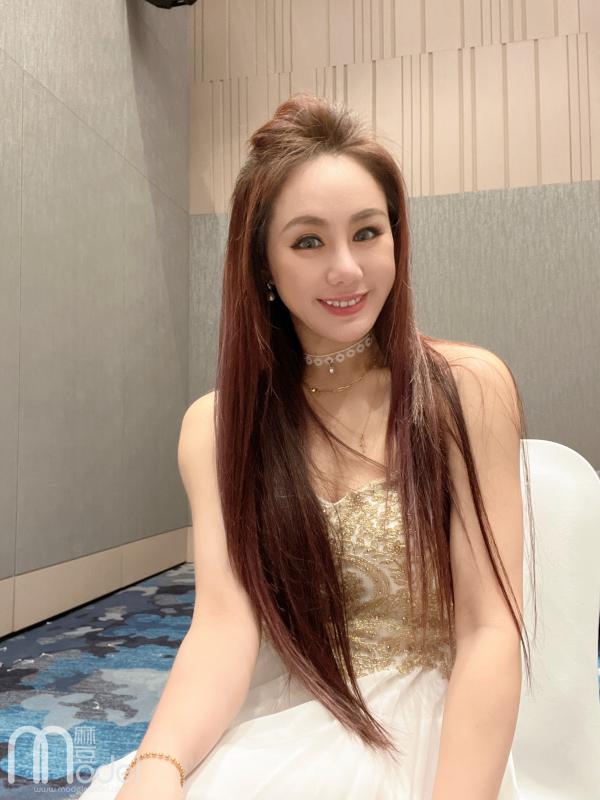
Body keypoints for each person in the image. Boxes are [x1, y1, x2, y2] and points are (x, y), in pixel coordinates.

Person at [80, 93, 536, 799]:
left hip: (438, 726)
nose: (347, 269)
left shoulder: (466, 388)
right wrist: (158, 765)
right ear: (262, 263)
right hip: (294, 707)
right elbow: (225, 626)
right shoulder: (218, 425)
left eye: (367, 232)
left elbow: (488, 630)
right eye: (308, 241)